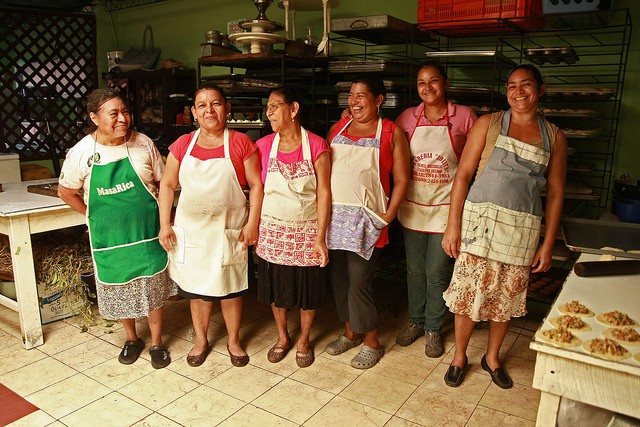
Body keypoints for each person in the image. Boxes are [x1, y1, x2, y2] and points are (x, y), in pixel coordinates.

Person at [441, 64, 567, 388]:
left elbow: (554, 193)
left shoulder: (555, 136)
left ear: (541, 89)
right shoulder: (489, 124)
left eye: (526, 85)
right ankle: (459, 356)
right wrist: (452, 226)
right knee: (468, 294)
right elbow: (463, 175)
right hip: (479, 224)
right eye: (512, 85)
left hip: (522, 229)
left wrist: (548, 243)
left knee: (505, 298)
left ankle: (492, 357)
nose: (518, 91)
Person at [58, 88, 175, 369]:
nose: (123, 119)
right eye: (114, 114)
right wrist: (92, 215)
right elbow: (66, 191)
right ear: (94, 118)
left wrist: (164, 222)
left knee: (153, 288)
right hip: (109, 238)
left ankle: (157, 342)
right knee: (121, 288)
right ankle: (132, 338)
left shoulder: (143, 143)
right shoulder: (82, 152)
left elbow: (164, 183)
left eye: (125, 111)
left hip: (147, 233)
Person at [158, 84, 263, 368]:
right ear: (193, 112)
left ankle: (233, 341)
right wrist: (164, 224)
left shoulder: (241, 143)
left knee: (230, 288)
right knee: (197, 289)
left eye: (215, 104)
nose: (209, 110)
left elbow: (256, 186)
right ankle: (201, 340)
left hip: (227, 230)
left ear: (227, 108)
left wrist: (252, 222)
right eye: (202, 105)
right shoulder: (182, 145)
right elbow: (167, 185)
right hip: (192, 231)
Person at [325, 76, 410, 369]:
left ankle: (371, 340)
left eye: (362, 96)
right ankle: (350, 331)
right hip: (335, 217)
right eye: (351, 95)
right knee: (339, 280)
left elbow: (402, 179)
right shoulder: (338, 128)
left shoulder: (391, 132)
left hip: (367, 220)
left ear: (379, 100)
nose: (355, 101)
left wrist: (388, 215)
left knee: (359, 282)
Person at [394, 61, 477, 357]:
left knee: (437, 272)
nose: (427, 88)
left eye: (433, 81)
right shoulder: (406, 118)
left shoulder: (465, 117)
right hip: (413, 207)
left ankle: (432, 328)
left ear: (445, 82)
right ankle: (415, 321)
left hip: (446, 209)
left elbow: (476, 158)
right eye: (421, 83)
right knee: (415, 271)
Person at [255, 86, 331, 368]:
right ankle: (283, 336)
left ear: (294, 109)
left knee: (307, 292)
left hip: (307, 231)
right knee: (277, 289)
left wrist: (320, 237)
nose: (269, 112)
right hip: (273, 231)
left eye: (275, 106)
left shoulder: (318, 145)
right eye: (268, 108)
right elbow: (257, 191)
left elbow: (324, 193)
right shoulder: (263, 146)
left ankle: (304, 339)